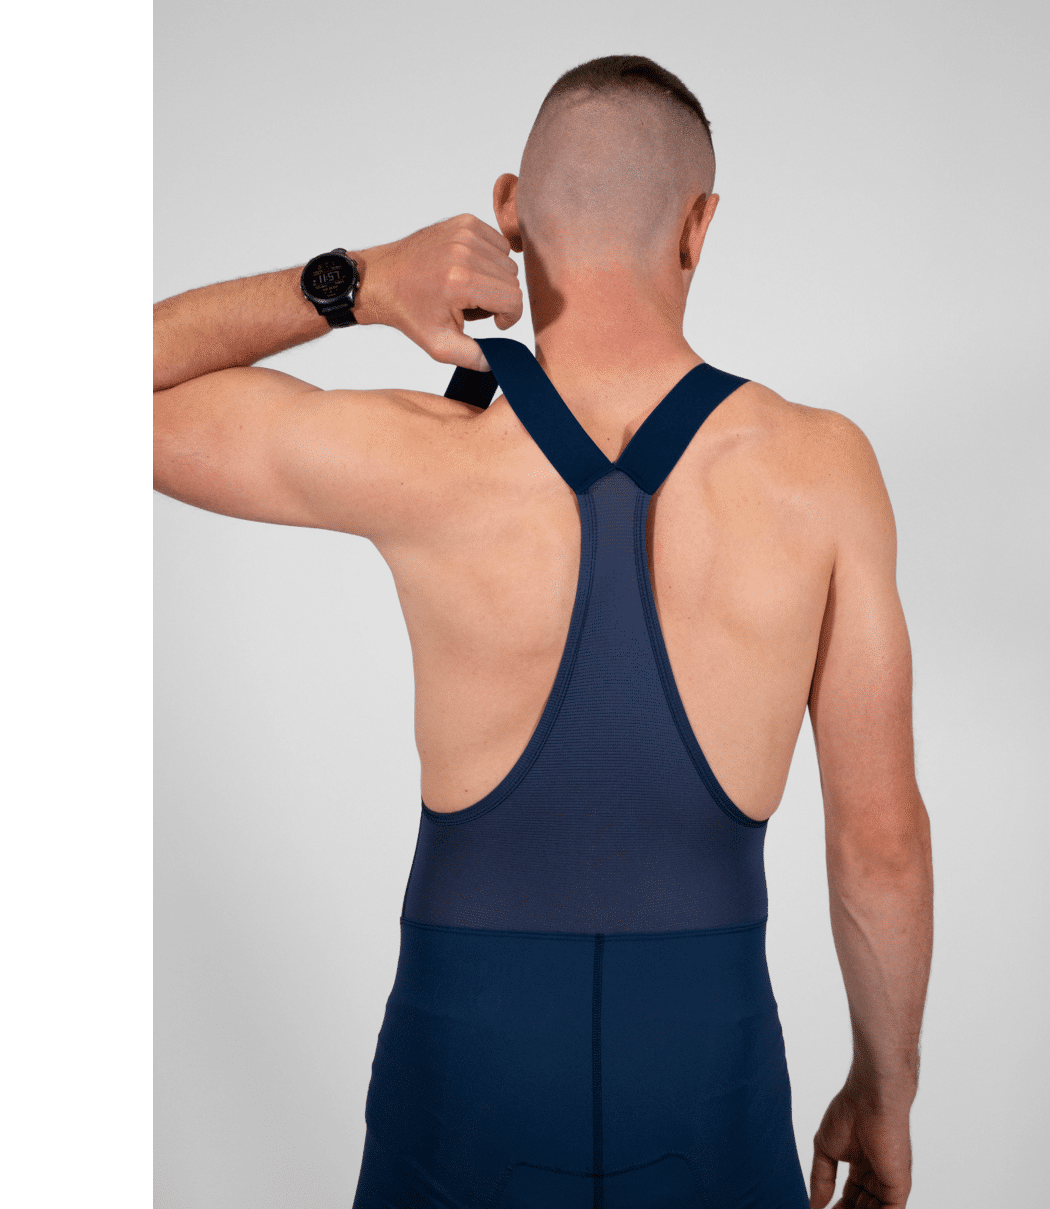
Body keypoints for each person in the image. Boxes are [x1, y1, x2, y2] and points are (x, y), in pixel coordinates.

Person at [153, 54, 933, 1209]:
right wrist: (884, 1091)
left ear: (509, 211)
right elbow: (880, 846)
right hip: (705, 1075)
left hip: (463, 1068)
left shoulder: (424, 456)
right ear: (700, 227)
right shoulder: (821, 473)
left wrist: (355, 282)